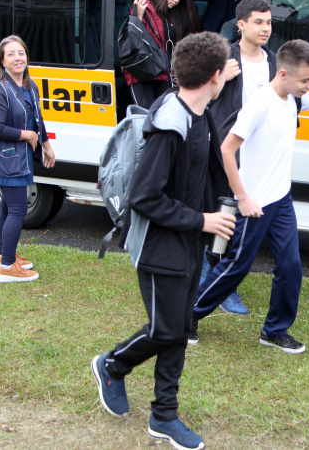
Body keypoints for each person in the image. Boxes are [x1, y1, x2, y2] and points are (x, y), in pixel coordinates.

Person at [90, 32, 235, 450]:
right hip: (159, 244)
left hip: (188, 238)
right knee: (165, 328)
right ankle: (113, 365)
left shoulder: (200, 112)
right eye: (225, 68)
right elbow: (143, 197)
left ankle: (163, 416)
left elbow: (205, 172)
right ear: (214, 75)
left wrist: (226, 207)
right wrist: (202, 220)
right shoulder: (169, 125)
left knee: (179, 328)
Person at [190, 40, 309, 354]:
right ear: (283, 73)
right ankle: (186, 318)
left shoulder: (294, 98)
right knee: (236, 267)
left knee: (291, 268)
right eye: (303, 81)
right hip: (254, 203)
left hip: (281, 200)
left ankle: (274, 331)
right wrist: (243, 198)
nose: (307, 87)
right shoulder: (261, 103)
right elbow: (227, 149)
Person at [199, 0, 276, 315]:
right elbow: (194, 92)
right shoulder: (224, 56)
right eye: (258, 22)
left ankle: (217, 279)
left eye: (269, 22)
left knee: (241, 222)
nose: (265, 28)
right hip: (227, 151)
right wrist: (220, 78)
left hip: (260, 154)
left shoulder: (273, 60)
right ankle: (215, 281)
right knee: (226, 216)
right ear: (241, 24)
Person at [0, 35, 55, 283]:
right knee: (17, 209)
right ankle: (8, 268)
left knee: (7, 207)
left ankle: (3, 255)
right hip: (6, 160)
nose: (17, 58)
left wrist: (46, 146)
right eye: (11, 54)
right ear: (2, 61)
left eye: (21, 53)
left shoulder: (29, 86)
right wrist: (28, 135)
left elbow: (38, 119)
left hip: (19, 159)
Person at [125, 0, 202, 108]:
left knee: (165, 114)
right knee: (145, 117)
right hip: (142, 72)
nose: (176, 0)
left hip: (163, 72)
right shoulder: (144, 7)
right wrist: (138, 18)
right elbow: (131, 41)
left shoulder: (173, 14)